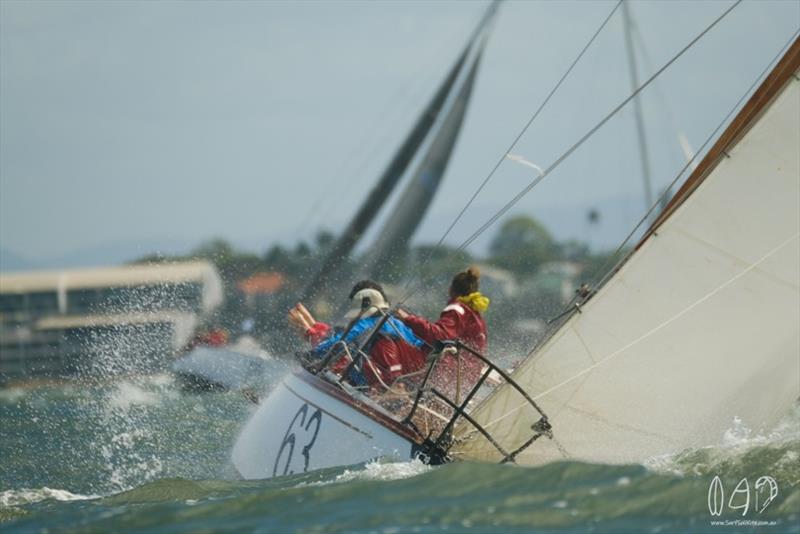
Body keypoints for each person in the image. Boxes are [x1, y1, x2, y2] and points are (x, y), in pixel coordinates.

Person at [288, 281, 428, 388]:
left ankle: (308, 329)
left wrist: (311, 354)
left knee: (350, 352)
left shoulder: (370, 324)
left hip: (394, 381)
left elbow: (340, 341)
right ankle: (308, 328)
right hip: (415, 377)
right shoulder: (399, 323)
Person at [396, 266, 489, 400]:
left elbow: (438, 335)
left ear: (452, 288)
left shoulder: (457, 309)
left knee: (391, 344)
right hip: (463, 377)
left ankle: (391, 389)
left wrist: (408, 319)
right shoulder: (475, 314)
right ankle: (405, 395)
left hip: (447, 370)